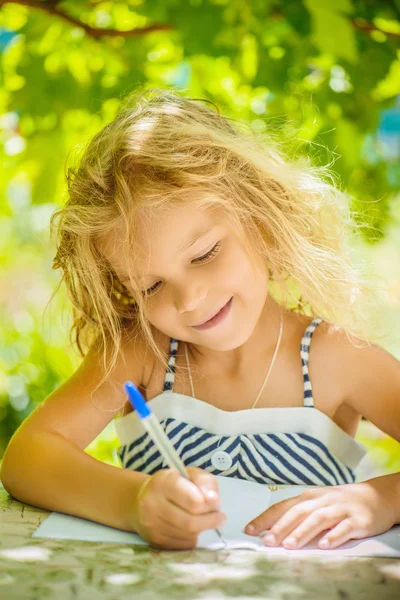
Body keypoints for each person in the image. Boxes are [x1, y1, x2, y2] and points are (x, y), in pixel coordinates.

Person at [1, 89, 399, 551]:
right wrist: (134, 502)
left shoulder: (339, 360)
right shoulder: (142, 354)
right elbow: (27, 458)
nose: (188, 301)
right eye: (149, 286)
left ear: (261, 220)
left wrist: (379, 500)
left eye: (205, 253)